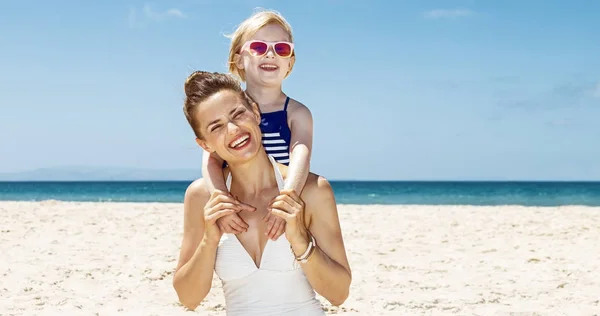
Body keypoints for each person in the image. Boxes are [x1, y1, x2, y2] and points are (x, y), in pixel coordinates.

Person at [173, 70, 351, 315]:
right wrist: (209, 240)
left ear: (255, 112)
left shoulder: (312, 191)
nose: (234, 129)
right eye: (217, 127)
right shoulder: (201, 197)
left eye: (238, 114)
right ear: (204, 145)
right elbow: (188, 298)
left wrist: (299, 238)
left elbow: (339, 294)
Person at [202, 9, 313, 242]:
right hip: (241, 205)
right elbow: (211, 159)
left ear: (289, 62)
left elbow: (301, 156)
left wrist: (287, 198)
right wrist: (220, 199)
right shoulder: (226, 109)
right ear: (239, 59)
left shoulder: (296, 113)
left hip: (279, 203)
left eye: (281, 49)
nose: (270, 54)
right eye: (259, 48)